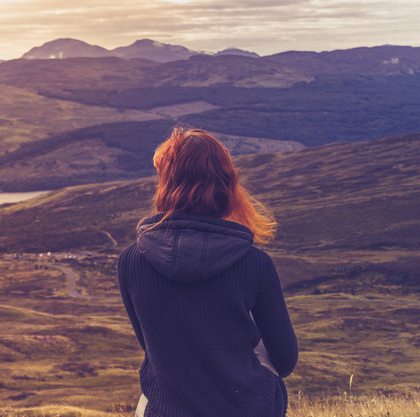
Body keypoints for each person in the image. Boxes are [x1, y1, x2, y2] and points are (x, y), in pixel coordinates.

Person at [118, 127, 298, 417]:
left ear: (165, 183)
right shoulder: (255, 263)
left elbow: (152, 349)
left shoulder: (131, 260)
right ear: (227, 184)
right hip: (247, 408)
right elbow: (285, 360)